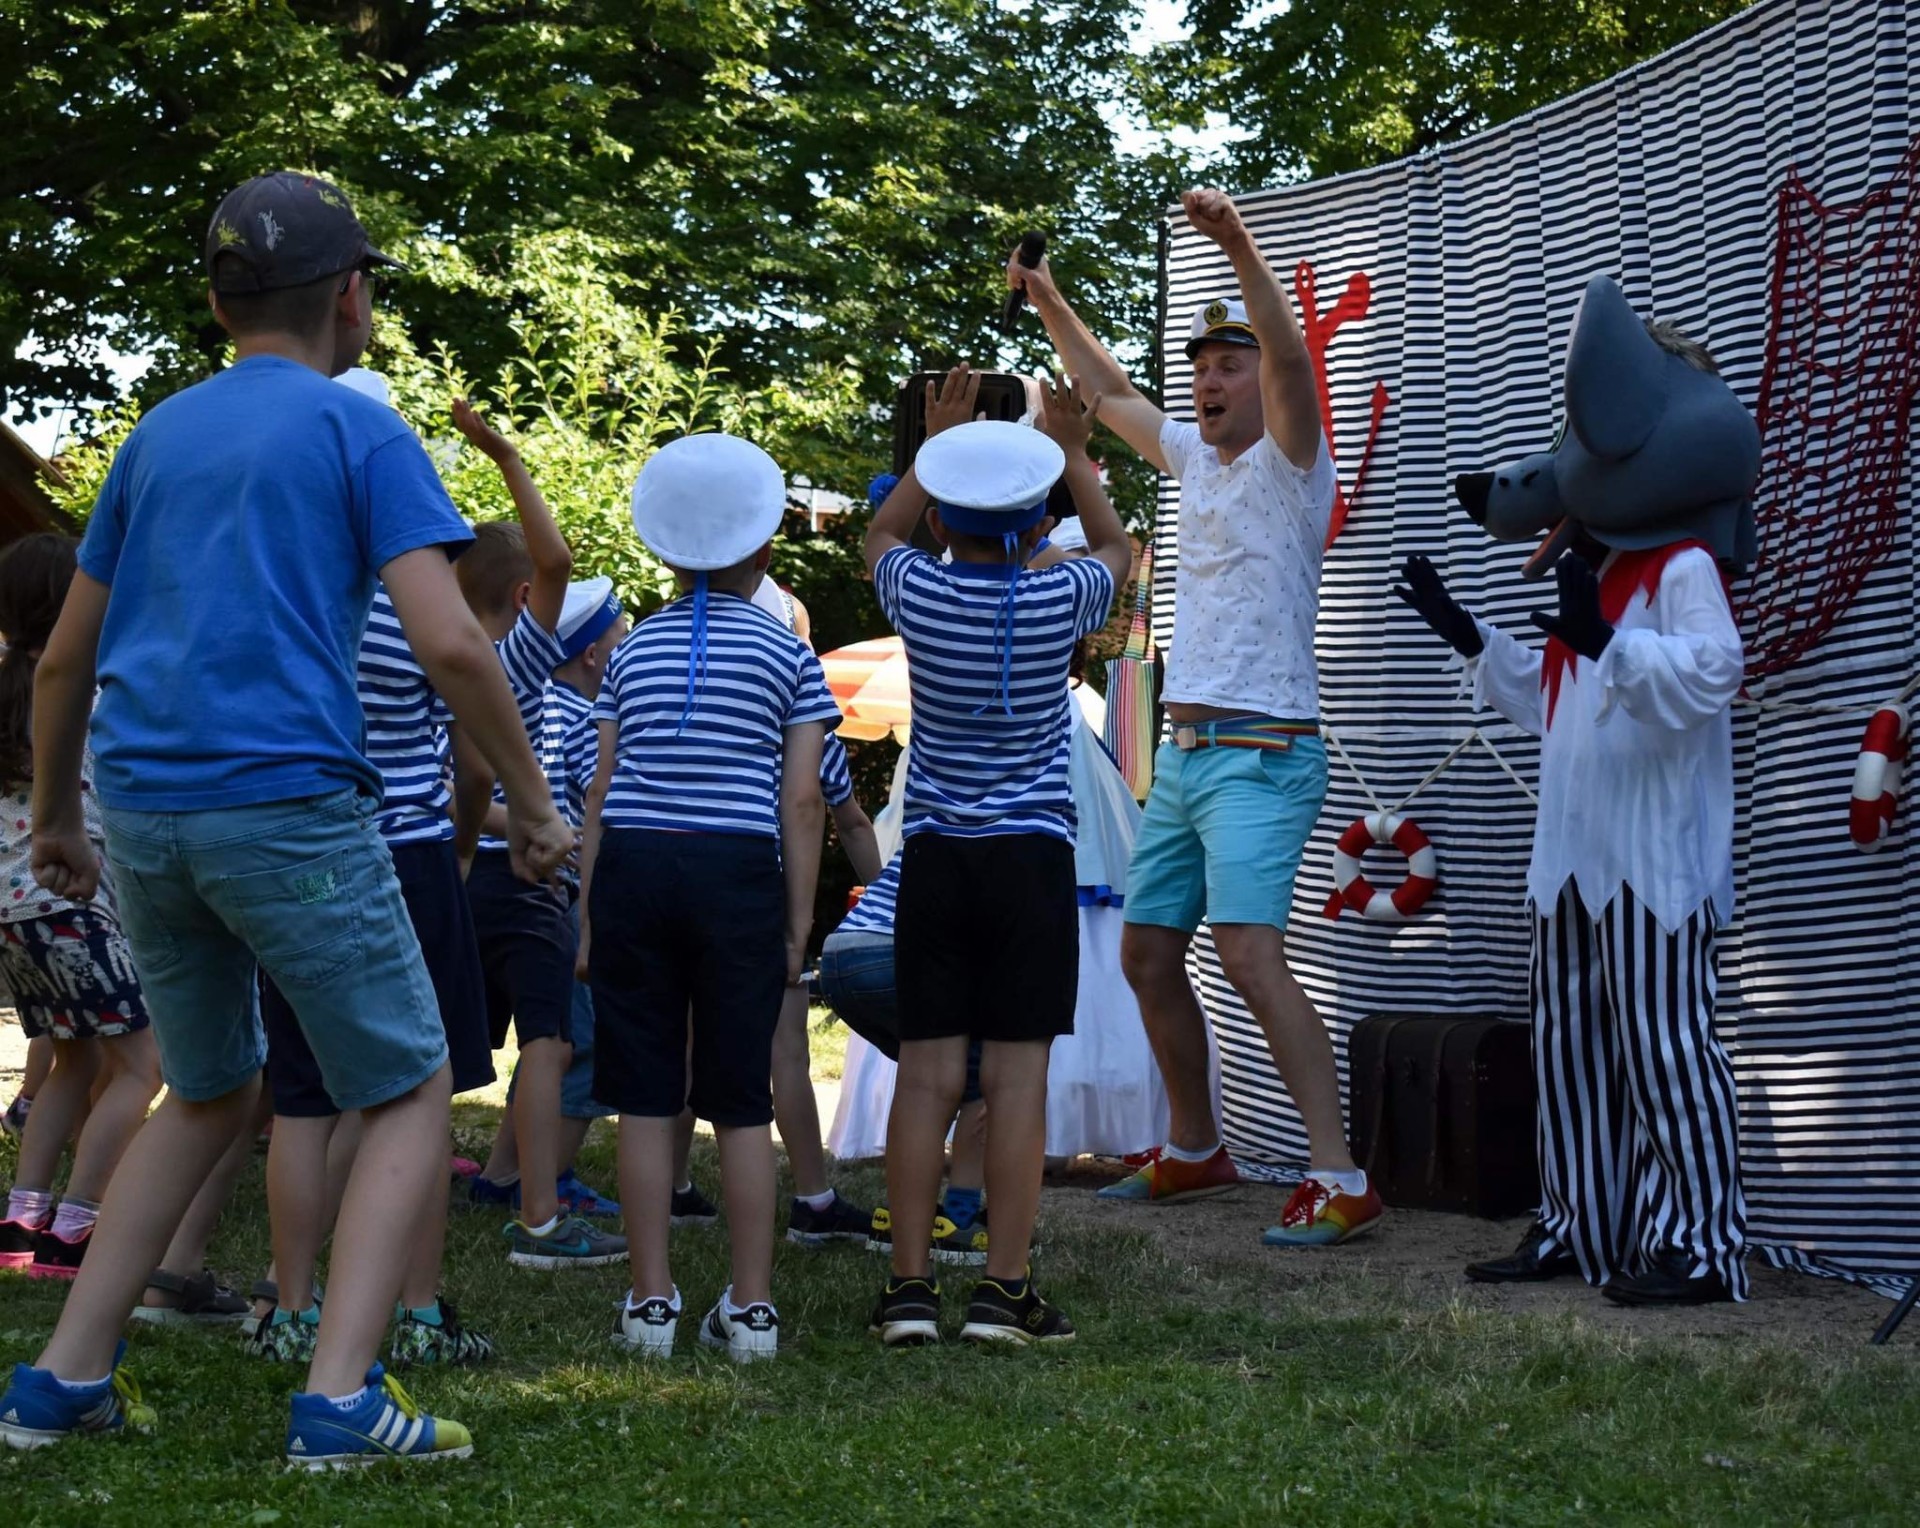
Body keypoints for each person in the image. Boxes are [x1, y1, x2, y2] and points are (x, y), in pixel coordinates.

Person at [0, 171, 572, 1466]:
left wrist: (58, 819)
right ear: (354, 298)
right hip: (287, 809)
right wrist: (534, 806)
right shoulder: (359, 433)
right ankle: (341, 1398)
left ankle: (62, 1380)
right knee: (410, 1083)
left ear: (219, 303)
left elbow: (63, 659)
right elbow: (454, 644)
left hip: (145, 810)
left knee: (208, 1090)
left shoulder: (158, 437)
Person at [1013, 189, 1381, 1247]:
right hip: (1184, 756)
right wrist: (1047, 298)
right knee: (1145, 953)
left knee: (1250, 953)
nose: (1208, 382)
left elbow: (1293, 358)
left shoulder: (1295, 462)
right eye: (1201, 368)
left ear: (1264, 383)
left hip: (1264, 754)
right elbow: (1107, 392)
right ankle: (1195, 1146)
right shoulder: (1191, 461)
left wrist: (1236, 242)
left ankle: (1340, 1176)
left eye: (1228, 366)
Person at [863, 367, 1129, 1347]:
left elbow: (878, 535)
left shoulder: (918, 592)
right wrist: (1073, 452)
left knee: (926, 1076)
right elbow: (1116, 547)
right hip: (1031, 863)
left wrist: (931, 450)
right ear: (1033, 527)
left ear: (944, 520)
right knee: (1017, 1081)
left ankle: (907, 1290)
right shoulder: (1061, 598)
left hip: (936, 860)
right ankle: (1003, 1290)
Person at [248, 366, 505, 1367]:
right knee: (415, 1093)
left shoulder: (283, 595)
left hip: (294, 847)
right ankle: (417, 1310)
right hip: (405, 850)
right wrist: (471, 840)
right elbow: (473, 762)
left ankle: (292, 1308)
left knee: (303, 1096)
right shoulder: (414, 595)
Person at [579, 432, 839, 1362]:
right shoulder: (789, 654)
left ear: (665, 552)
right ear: (764, 548)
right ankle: (752, 1309)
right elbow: (802, 801)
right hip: (736, 874)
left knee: (647, 1095)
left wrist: (586, 917)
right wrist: (798, 924)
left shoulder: (631, 652)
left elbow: (600, 790)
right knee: (739, 1097)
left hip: (636, 867)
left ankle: (651, 1302)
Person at [449, 411, 627, 1274]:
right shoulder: (513, 663)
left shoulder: (428, 654)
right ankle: (540, 1215)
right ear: (525, 603)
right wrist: (509, 459)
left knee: (429, 1053)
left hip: (445, 873)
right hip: (526, 886)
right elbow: (555, 560)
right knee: (549, 1042)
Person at [469, 576, 632, 1221]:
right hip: (545, 891)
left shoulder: (526, 698)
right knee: (571, 1044)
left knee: (546, 1042)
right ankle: (547, 1183)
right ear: (591, 654)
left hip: (493, 881)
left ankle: (502, 1173)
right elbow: (599, 806)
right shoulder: (581, 717)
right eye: (619, 641)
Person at [749, 574, 881, 1246]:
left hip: (689, 884)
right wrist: (886, 901)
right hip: (770, 894)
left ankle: (677, 1191)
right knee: (786, 1053)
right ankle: (812, 1199)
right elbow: (849, 822)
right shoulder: (810, 731)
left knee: (688, 1045)